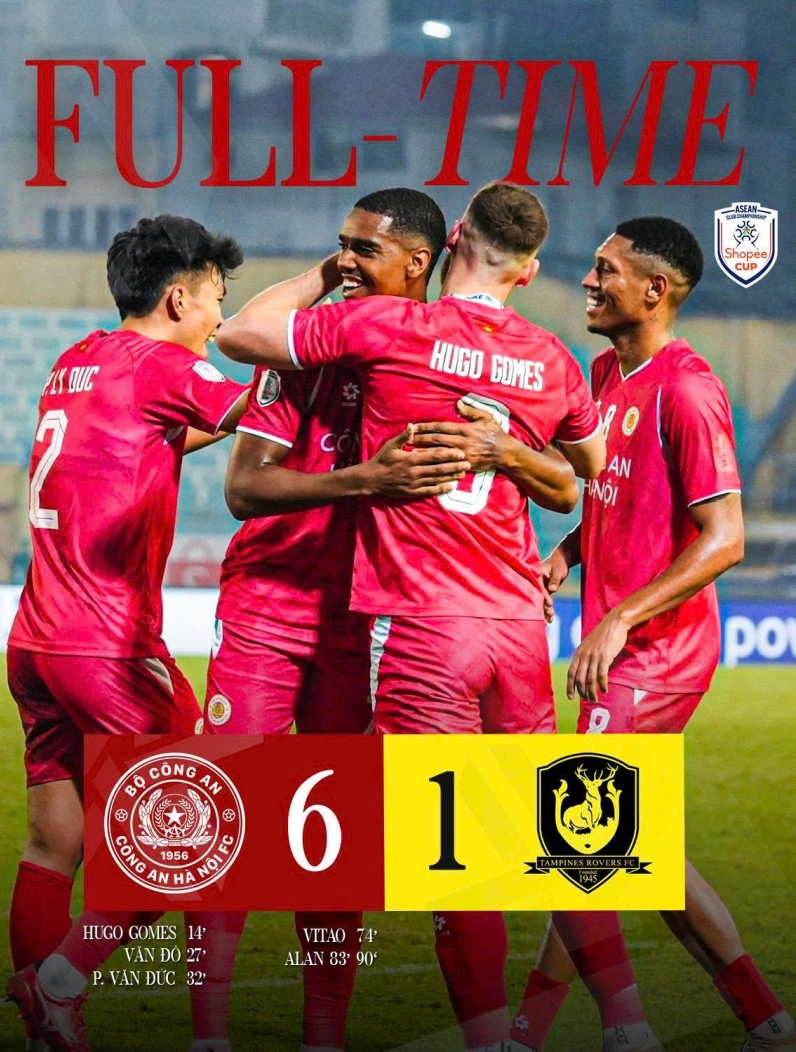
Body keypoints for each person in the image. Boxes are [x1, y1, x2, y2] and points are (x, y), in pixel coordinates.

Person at [217, 183, 664, 1052]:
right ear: (530, 271)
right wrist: (510, 451)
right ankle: (627, 1022)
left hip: (425, 626)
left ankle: (489, 1041)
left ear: (453, 237)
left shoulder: (392, 327)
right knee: (558, 835)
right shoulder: (551, 358)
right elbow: (585, 470)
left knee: (453, 858)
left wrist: (331, 271)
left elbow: (239, 333)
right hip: (516, 626)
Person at [513, 217, 795, 1052]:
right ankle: (767, 1019)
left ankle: (564, 1028)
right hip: (623, 647)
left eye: (606, 271)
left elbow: (725, 537)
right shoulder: (606, 372)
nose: (589, 281)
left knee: (578, 839)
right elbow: (619, 495)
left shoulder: (689, 390)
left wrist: (621, 616)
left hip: (659, 651)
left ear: (654, 290)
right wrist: (568, 555)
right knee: (629, 844)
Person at [5, 214, 250, 1052]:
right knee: (209, 820)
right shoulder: (164, 365)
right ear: (179, 298)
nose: (220, 317)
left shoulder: (80, 360)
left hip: (37, 641)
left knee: (54, 841)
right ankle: (58, 985)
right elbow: (262, 411)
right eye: (217, 298)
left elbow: (160, 433)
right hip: (107, 645)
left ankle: (44, 1031)